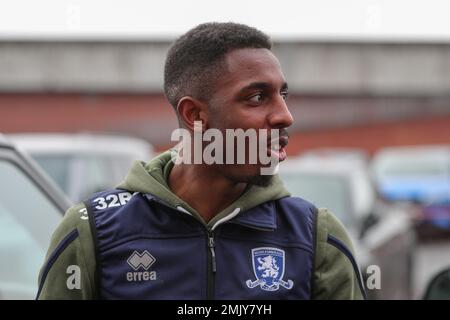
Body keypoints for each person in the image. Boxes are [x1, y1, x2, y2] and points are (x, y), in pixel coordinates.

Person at [37, 22, 366, 300]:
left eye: (283, 95)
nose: (285, 116)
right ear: (194, 115)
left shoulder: (317, 239)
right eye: (256, 97)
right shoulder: (92, 234)